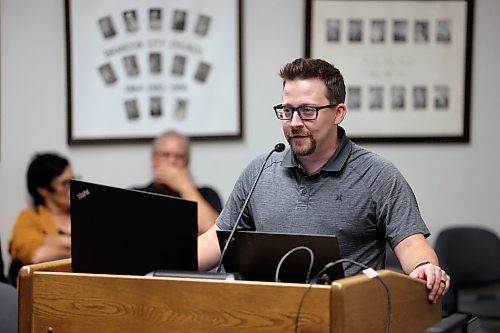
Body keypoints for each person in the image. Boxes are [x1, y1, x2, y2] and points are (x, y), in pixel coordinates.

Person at [198, 57, 450, 304]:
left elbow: (411, 245)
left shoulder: (377, 174)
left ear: (338, 113)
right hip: (270, 315)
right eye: (287, 110)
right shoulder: (260, 171)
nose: (295, 123)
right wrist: (163, 259)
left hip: (348, 318)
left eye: (308, 111)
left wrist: (425, 267)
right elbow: (219, 238)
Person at [134, 130, 222, 235]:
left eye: (179, 156)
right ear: (154, 159)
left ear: (187, 162)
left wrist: (184, 186)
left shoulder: (207, 194)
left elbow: (216, 236)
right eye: (165, 155)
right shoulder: (136, 194)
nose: (172, 161)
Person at [9, 153, 73, 283]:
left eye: (74, 180)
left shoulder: (85, 214)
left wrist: (52, 241)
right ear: (42, 190)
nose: (73, 188)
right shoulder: (29, 218)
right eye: (65, 183)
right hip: (46, 289)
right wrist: (78, 245)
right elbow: (36, 256)